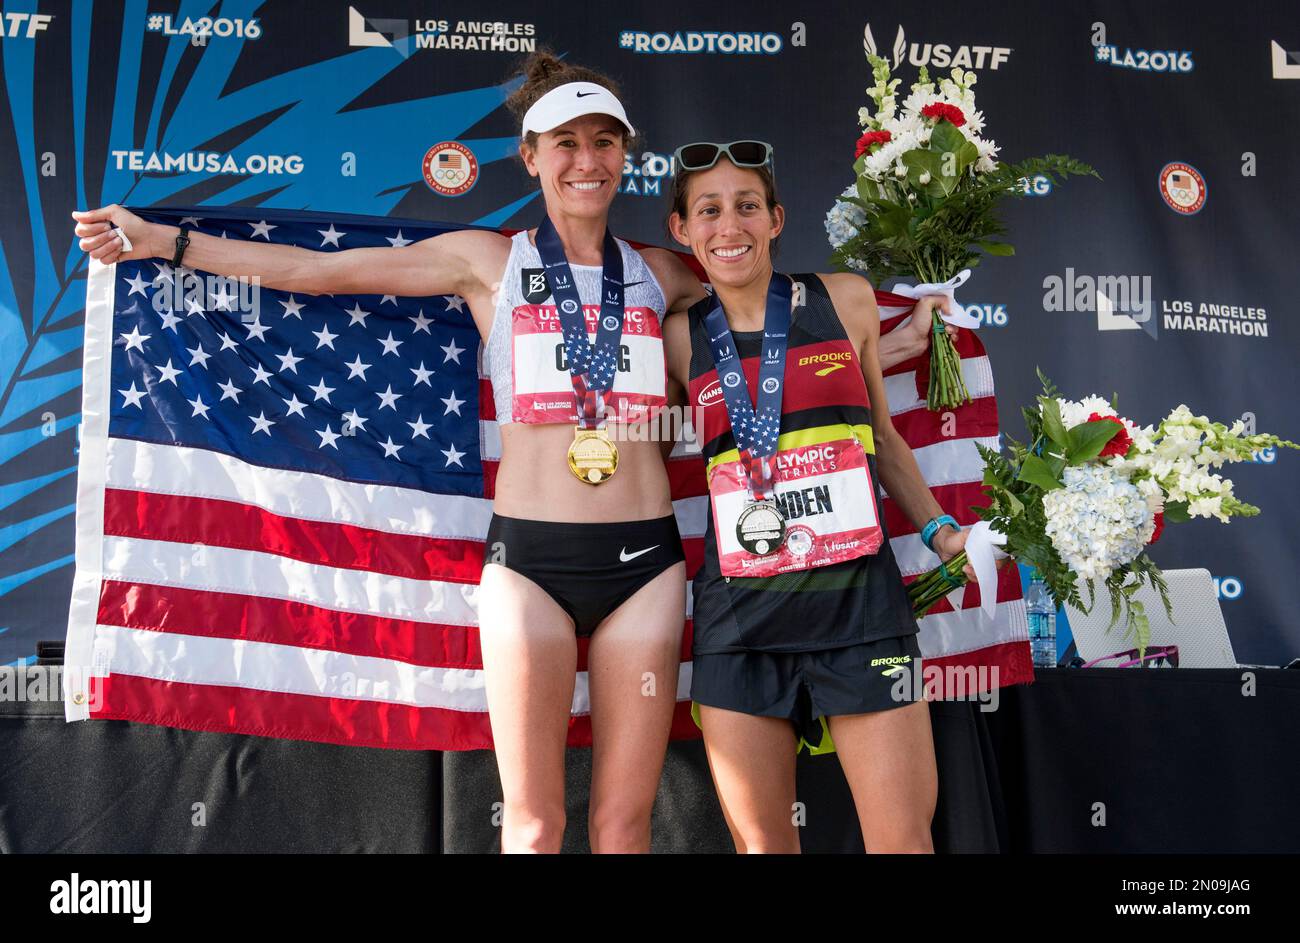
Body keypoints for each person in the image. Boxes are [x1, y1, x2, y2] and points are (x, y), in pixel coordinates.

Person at [72, 52, 706, 854]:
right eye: (566, 142)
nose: (587, 161)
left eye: (604, 142)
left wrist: (909, 319)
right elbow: (320, 272)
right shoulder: (487, 260)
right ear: (533, 156)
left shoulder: (660, 275)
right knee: (536, 822)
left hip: (645, 561)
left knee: (623, 823)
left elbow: (783, 323)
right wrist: (166, 241)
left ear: (626, 153)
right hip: (532, 562)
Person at [662, 140, 979, 854]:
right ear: (682, 230)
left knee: (902, 840)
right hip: (740, 623)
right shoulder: (680, 340)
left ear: (776, 218)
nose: (729, 226)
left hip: (860, 610)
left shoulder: (847, 299)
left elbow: (885, 439)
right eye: (707, 210)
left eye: (747, 206)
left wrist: (941, 533)